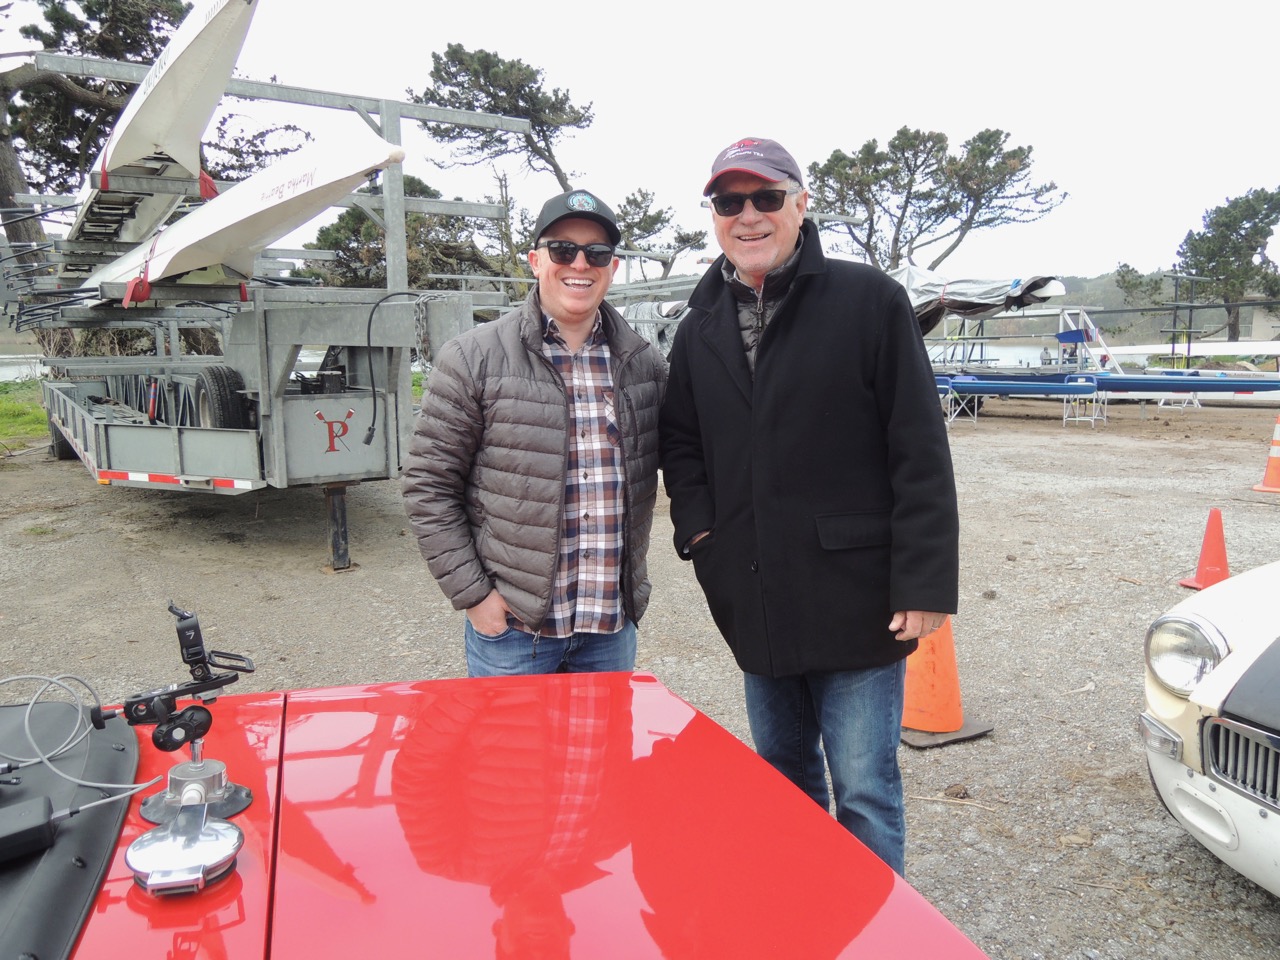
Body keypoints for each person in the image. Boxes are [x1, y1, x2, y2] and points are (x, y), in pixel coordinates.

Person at [658, 137, 959, 875]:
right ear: (714, 216)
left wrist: (924, 583)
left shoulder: (869, 301)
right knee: (782, 781)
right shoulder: (699, 326)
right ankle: (802, 913)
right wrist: (702, 536)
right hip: (755, 593)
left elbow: (918, 446)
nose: (748, 216)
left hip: (857, 599)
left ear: (801, 204)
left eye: (766, 197)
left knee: (864, 789)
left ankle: (875, 927)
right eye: (730, 202)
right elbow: (682, 443)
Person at [401, 189, 666, 677]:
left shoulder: (644, 365)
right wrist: (474, 596)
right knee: (511, 734)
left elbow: (692, 458)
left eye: (596, 253)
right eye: (563, 250)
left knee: (605, 734)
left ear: (612, 267)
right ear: (536, 260)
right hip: (515, 632)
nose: (579, 264)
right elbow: (429, 486)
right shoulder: (474, 358)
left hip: (609, 629)